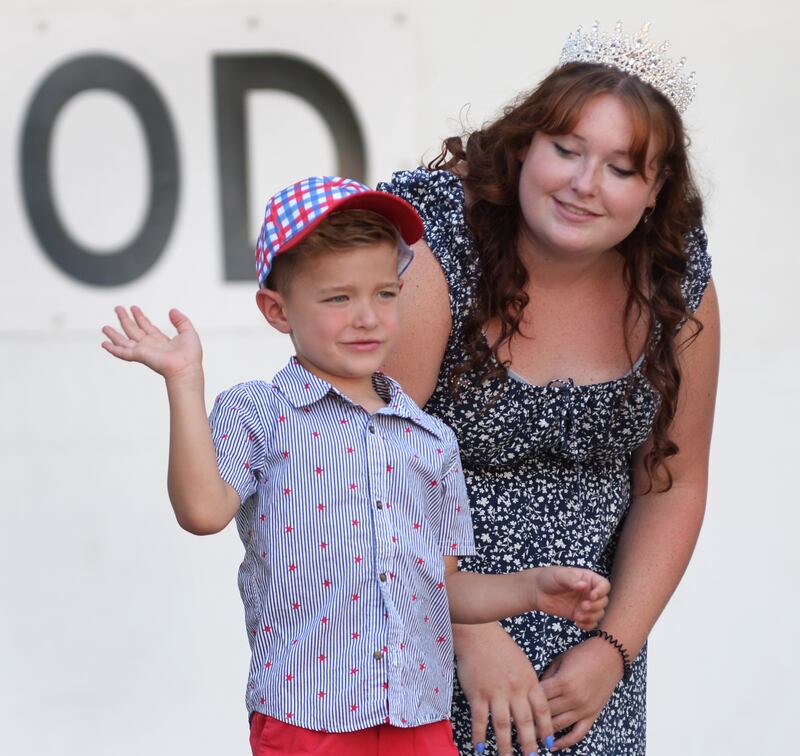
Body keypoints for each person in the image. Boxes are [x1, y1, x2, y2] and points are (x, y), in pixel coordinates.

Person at [100, 176, 611, 756]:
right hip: (307, 720)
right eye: (338, 298)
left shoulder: (430, 438)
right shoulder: (259, 412)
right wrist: (184, 381)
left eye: (385, 294)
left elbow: (440, 589)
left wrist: (531, 588)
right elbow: (201, 512)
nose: (367, 317)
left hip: (419, 717)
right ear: (276, 310)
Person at [377, 21, 719, 756]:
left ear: (656, 190)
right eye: (566, 150)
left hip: (583, 679)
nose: (583, 185)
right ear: (526, 144)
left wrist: (613, 651)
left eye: (621, 168)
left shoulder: (672, 279)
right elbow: (366, 465)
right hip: (412, 632)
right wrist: (467, 628)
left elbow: (674, 483)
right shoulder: (437, 246)